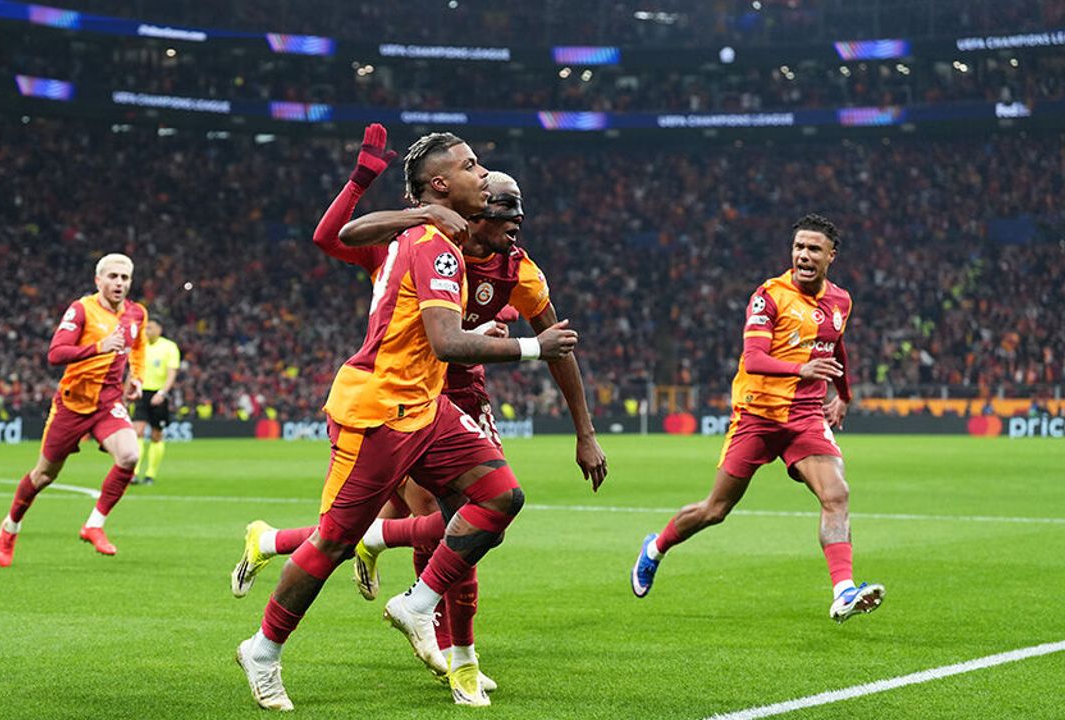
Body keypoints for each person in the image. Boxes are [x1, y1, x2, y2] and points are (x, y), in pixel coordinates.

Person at [232, 126, 607, 704]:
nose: (482, 174)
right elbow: (445, 341)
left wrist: (582, 427)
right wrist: (535, 347)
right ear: (441, 184)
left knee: (499, 496)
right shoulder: (432, 244)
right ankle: (263, 648)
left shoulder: (462, 247)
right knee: (333, 542)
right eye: (471, 166)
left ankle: (419, 605)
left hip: (427, 406)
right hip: (379, 409)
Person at [630, 213, 885, 623]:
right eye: (799, 247)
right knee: (715, 509)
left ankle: (843, 592)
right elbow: (755, 358)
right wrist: (801, 369)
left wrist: (843, 395)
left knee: (836, 494)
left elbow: (835, 345)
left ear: (831, 256)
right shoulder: (769, 296)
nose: (804, 255)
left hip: (804, 417)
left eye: (814, 249)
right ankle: (656, 548)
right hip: (758, 415)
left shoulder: (841, 300)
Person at [0, 254, 147, 567]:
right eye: (113, 276)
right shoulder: (82, 309)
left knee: (130, 455)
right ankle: (10, 526)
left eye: (124, 278)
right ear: (98, 280)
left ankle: (94, 525)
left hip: (108, 402)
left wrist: (138, 378)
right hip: (72, 404)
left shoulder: (136, 313)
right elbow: (56, 353)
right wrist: (99, 347)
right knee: (44, 475)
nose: (119, 283)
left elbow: (139, 346)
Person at [132, 318, 181, 485]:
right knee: (137, 431)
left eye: (150, 328)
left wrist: (162, 393)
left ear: (159, 329)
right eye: (145, 328)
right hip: (141, 392)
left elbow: (171, 374)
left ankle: (150, 474)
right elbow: (133, 370)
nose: (147, 331)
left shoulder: (169, 347)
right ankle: (133, 473)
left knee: (156, 435)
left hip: (159, 394)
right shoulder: (140, 345)